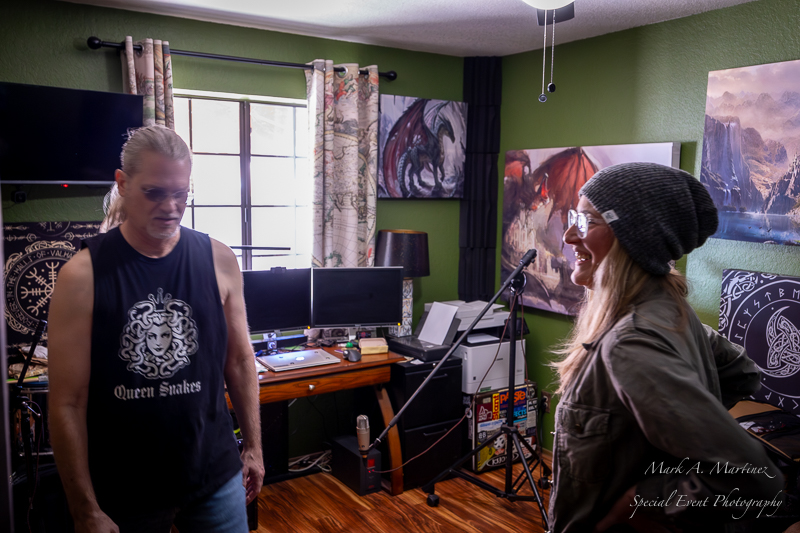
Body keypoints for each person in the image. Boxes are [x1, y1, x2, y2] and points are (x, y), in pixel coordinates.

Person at [48, 124, 264, 533]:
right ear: (123, 184)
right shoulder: (82, 275)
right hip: (125, 491)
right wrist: (84, 508)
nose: (170, 206)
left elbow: (239, 360)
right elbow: (67, 402)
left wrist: (253, 448)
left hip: (214, 476)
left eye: (181, 193)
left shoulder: (219, 260)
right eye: (154, 192)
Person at [549, 162, 784, 532]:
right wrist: (669, 437)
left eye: (586, 221)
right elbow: (741, 371)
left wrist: (640, 502)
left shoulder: (631, 342)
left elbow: (753, 478)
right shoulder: (670, 311)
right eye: (573, 218)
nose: (568, 236)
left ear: (633, 236)